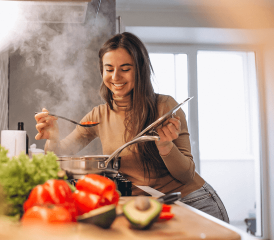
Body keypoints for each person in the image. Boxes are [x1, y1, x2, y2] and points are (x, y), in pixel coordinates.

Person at [34, 32, 229, 223]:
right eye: (109, 69)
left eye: (125, 68)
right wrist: (52, 137)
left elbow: (186, 175)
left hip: (191, 201)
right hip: (146, 205)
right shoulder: (98, 115)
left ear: (140, 70)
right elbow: (59, 154)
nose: (115, 77)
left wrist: (166, 147)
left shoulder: (165, 107)